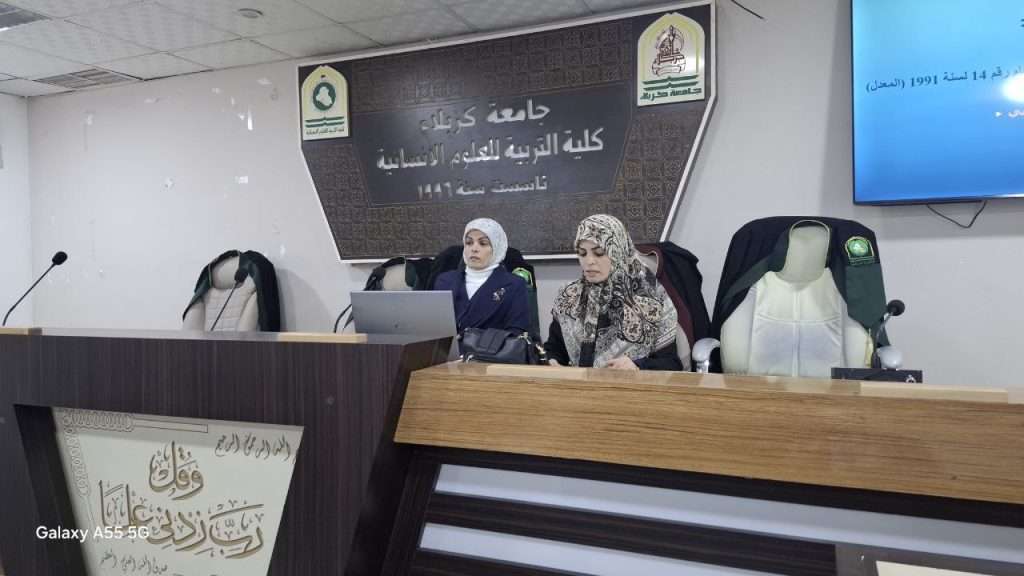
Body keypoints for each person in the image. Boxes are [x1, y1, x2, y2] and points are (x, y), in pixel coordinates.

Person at [545, 214, 682, 371]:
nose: (589, 261)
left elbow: (671, 364)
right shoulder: (569, 297)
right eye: (582, 253)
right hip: (580, 385)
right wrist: (552, 361)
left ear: (618, 251)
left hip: (632, 385)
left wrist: (637, 365)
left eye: (599, 253)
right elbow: (554, 349)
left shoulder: (652, 297)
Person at [435, 218, 531, 335]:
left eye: (483, 243)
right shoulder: (445, 281)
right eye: (469, 242)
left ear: (496, 248)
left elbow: (516, 333)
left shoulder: (514, 285)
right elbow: (435, 327)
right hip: (448, 346)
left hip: (491, 347)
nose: (474, 249)